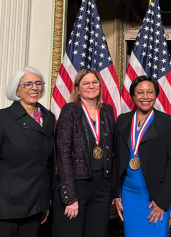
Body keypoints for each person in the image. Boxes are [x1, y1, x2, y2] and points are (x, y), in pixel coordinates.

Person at [0, 67, 55, 237]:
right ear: (17, 89)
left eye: (38, 83)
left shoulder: (48, 118)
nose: (34, 88)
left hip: (35, 209)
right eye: (28, 84)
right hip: (5, 210)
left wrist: (44, 203)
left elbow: (47, 165)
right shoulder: (0, 119)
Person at [113, 75, 171, 236]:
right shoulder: (122, 121)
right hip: (129, 195)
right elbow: (116, 159)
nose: (145, 97)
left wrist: (163, 200)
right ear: (133, 96)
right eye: (140, 92)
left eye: (150, 92)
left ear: (156, 95)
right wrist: (117, 194)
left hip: (156, 196)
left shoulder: (168, 123)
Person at [52, 68, 116, 237]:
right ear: (77, 88)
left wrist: (111, 189)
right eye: (85, 83)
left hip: (102, 185)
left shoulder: (108, 111)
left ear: (100, 86)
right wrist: (70, 196)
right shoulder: (70, 111)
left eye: (95, 82)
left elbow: (112, 150)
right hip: (77, 184)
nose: (91, 86)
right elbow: (63, 154)